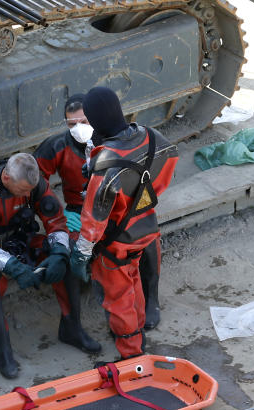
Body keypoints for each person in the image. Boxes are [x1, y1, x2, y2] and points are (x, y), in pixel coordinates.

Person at [0, 152, 100, 379]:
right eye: (23, 191)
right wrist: (12, 266)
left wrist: (60, 252)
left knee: (68, 253)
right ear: (6, 179)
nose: (27, 195)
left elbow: (56, 221)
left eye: (29, 191)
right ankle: (4, 350)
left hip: (20, 239)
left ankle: (72, 328)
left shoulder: (35, 184)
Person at [35, 93, 164, 329]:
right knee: (66, 251)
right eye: (71, 123)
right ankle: (72, 324)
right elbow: (35, 181)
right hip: (79, 213)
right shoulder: (57, 146)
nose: (78, 128)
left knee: (149, 240)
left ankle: (151, 299)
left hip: (122, 208)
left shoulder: (114, 141)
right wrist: (59, 213)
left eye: (83, 121)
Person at [70, 86, 178, 360]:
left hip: (115, 244)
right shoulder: (152, 137)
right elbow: (170, 159)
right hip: (145, 227)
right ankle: (138, 328)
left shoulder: (106, 166)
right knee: (134, 284)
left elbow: (94, 221)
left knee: (118, 298)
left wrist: (81, 256)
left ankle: (132, 356)